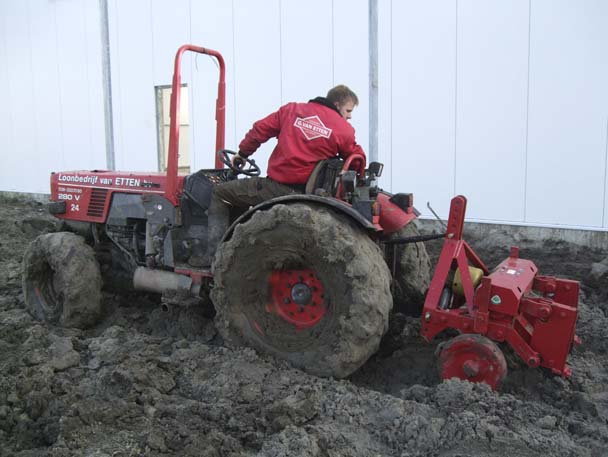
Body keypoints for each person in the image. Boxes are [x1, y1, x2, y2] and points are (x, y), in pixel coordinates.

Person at [197, 84, 366, 267]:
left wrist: (243, 154)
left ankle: (212, 258)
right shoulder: (343, 130)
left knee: (220, 193)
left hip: (278, 188)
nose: (349, 116)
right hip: (310, 193)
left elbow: (259, 130)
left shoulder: (291, 110)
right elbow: (357, 158)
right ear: (337, 104)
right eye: (348, 111)